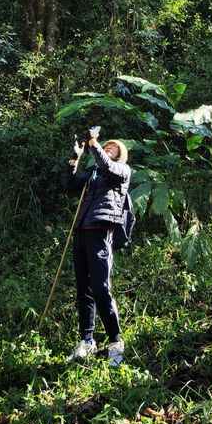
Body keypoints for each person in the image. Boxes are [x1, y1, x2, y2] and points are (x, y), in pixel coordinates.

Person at [65, 126, 130, 366]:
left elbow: (108, 166)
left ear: (119, 154)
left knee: (100, 287)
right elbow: (70, 185)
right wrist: (75, 158)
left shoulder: (121, 170)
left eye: (112, 147)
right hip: (81, 229)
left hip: (100, 230)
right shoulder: (93, 174)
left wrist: (95, 144)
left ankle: (115, 340)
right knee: (84, 288)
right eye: (107, 145)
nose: (108, 148)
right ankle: (87, 340)